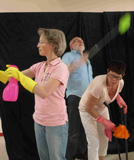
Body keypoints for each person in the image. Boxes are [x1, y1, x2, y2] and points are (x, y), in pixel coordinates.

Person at [5, 28, 69, 160]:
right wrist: (5, 75)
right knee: (44, 158)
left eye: (41, 42)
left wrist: (21, 78)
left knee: (56, 158)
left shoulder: (60, 68)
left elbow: (44, 92)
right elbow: (12, 77)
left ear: (52, 45)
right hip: (39, 120)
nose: (37, 45)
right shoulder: (39, 66)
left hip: (56, 123)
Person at [79, 60, 127, 160]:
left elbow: (115, 91)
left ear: (122, 75)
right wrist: (105, 121)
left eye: (117, 77)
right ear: (107, 71)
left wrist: (119, 99)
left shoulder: (121, 83)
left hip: (100, 107)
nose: (113, 80)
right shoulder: (99, 84)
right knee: (94, 141)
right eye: (111, 75)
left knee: (104, 136)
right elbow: (89, 107)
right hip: (86, 109)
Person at [62, 37, 93, 160]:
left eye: (82, 40)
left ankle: (82, 154)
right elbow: (62, 73)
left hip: (88, 98)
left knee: (87, 129)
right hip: (75, 96)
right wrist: (77, 63)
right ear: (71, 46)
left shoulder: (87, 60)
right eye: (76, 40)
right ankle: (68, 157)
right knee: (74, 131)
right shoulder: (68, 56)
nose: (80, 41)